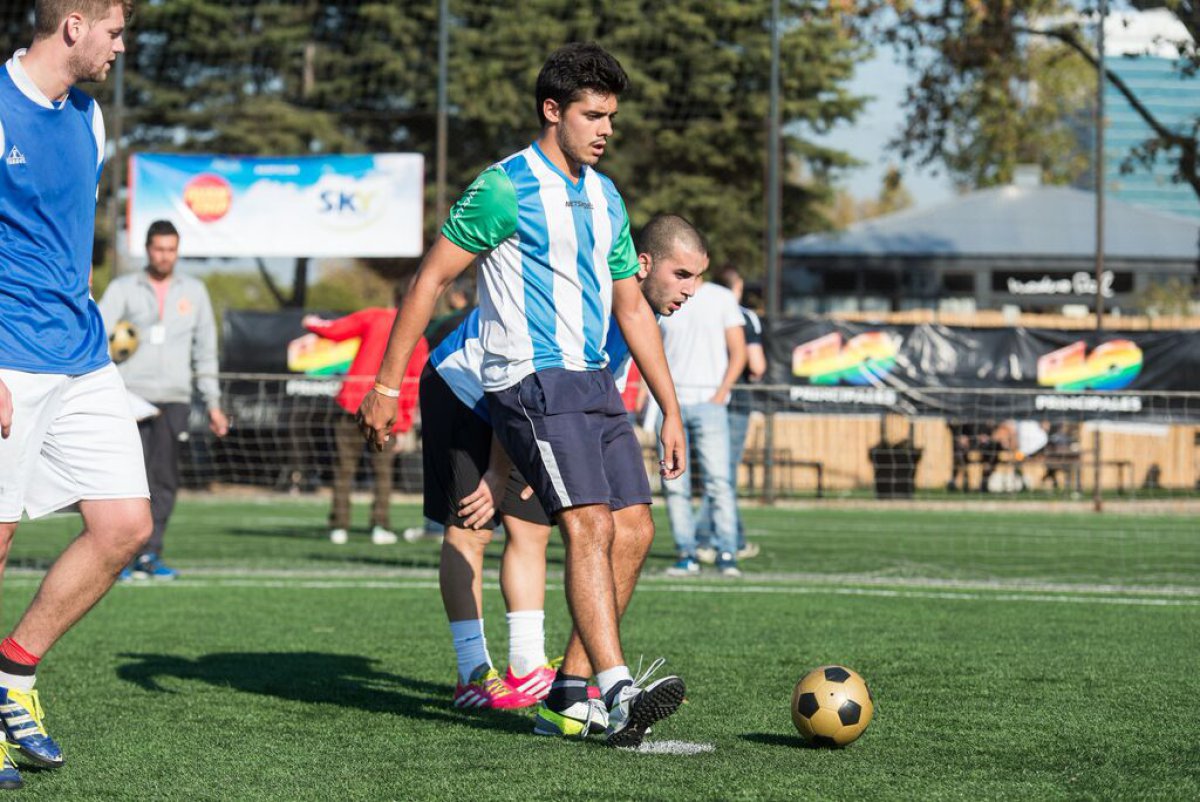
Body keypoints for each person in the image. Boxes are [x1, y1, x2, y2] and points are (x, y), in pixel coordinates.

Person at [358, 43, 689, 748]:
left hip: (595, 383)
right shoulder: (504, 187)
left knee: (635, 531)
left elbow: (632, 310)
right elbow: (427, 280)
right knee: (587, 525)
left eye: (612, 118)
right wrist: (387, 384)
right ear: (552, 111)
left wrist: (672, 411)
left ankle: (569, 690)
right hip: (530, 382)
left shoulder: (607, 197)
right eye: (592, 115)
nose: (605, 129)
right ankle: (617, 690)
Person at [423, 214, 704, 721]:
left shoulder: (642, 312)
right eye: (682, 275)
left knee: (535, 529)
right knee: (471, 527)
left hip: (528, 399)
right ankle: (472, 673)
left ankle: (529, 667)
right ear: (642, 265)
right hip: (466, 386)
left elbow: (592, 393)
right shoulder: (592, 296)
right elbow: (515, 373)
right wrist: (496, 468)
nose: (693, 289)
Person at [0, 1, 147, 789]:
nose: (122, 47)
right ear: (74, 25)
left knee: (125, 526)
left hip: (83, 356)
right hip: (7, 355)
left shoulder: (88, 119)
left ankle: (11, 675)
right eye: (116, 33)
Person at [98, 220, 229, 579]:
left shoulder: (195, 292)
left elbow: (205, 351)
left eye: (171, 249)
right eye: (158, 249)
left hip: (175, 399)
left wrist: (214, 403)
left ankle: (151, 554)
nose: (164, 256)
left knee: (164, 480)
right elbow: (98, 333)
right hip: (129, 398)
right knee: (125, 483)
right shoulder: (124, 288)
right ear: (147, 249)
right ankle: (120, 557)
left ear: (178, 251)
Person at [302, 288, 428, 545]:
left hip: (353, 402)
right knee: (383, 472)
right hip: (387, 412)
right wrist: (403, 424)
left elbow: (335, 330)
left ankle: (339, 527)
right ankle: (379, 526)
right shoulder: (419, 336)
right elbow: (413, 384)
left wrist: (312, 324)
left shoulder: (374, 317)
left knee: (343, 469)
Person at [656, 265, 747, 578]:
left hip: (710, 405)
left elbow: (739, 351)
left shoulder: (721, 298)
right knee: (674, 484)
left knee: (719, 482)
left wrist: (721, 393)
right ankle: (686, 553)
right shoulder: (662, 297)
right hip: (671, 407)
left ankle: (726, 552)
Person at [695, 266, 766, 563]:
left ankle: (730, 538)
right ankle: (710, 539)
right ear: (734, 289)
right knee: (722, 476)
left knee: (713, 476)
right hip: (732, 403)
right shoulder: (744, 316)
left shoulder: (695, 307)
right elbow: (757, 364)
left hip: (698, 396)